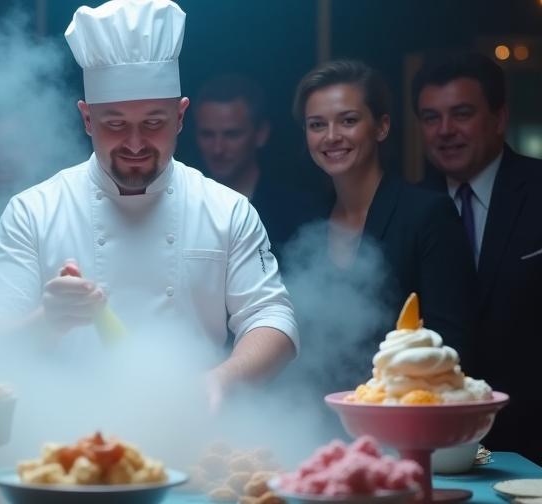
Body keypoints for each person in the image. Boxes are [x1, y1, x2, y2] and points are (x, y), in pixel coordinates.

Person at [0, 0, 298, 411]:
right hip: (61, 440)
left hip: (188, 426)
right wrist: (48, 318)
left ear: (181, 115)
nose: (134, 144)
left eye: (154, 123)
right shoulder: (33, 211)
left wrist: (222, 379)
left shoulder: (227, 210)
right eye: (115, 124)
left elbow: (273, 319)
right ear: (86, 119)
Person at [288, 60, 477, 388]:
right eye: (317, 125)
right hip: (314, 417)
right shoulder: (304, 223)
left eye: (348, 121)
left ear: (381, 126)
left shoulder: (428, 213)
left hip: (403, 415)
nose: (332, 136)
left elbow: (451, 346)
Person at [412, 52, 542, 462]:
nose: (445, 131)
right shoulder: (409, 207)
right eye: (431, 118)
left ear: (499, 118)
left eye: (462, 113)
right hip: (438, 445)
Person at [194, 74, 322, 248]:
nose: (218, 149)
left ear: (261, 134)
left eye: (232, 134)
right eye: (207, 134)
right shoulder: (184, 206)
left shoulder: (297, 213)